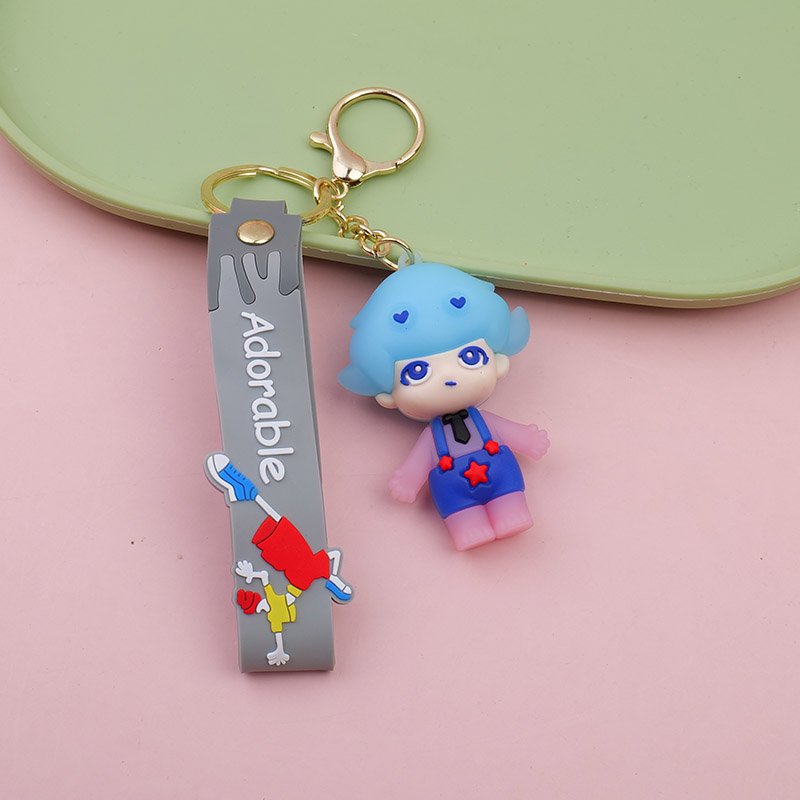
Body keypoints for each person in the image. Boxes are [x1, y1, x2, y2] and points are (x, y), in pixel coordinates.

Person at [339, 262, 549, 551]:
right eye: (418, 372)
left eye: (470, 357)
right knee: (459, 510)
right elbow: (419, 461)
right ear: (388, 395)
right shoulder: (431, 438)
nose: (449, 378)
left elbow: (510, 432)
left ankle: (511, 512)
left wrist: (528, 439)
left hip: (500, 474)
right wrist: (408, 480)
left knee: (509, 496)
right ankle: (467, 527)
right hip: (454, 488)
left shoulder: (485, 421)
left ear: (498, 362)